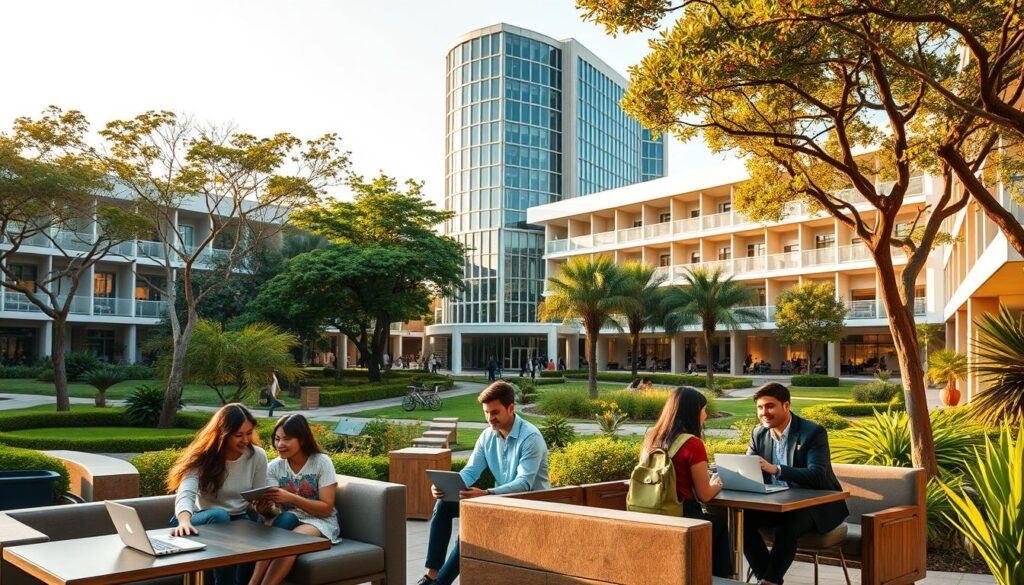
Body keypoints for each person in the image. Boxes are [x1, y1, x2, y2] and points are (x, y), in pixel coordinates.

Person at [417, 381, 550, 585]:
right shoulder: (487, 436)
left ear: (511, 408)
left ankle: (439, 584)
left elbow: (524, 484)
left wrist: (486, 493)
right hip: (499, 500)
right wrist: (446, 487)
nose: (490, 418)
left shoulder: (530, 438)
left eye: (495, 412)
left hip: (530, 504)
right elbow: (471, 471)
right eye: (486, 412)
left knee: (474, 520)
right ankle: (431, 575)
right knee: (443, 505)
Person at [744, 383, 849, 585]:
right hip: (777, 504)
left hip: (816, 504)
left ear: (786, 406)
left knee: (787, 527)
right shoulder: (759, 433)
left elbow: (817, 475)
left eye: (769, 406)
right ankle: (767, 577)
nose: (763, 412)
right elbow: (749, 466)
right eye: (759, 407)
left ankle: (769, 581)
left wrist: (777, 470)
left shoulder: (813, 433)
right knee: (742, 522)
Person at [168, 404, 267, 585]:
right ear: (223, 434)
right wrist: (183, 521)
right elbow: (186, 492)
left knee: (252, 530)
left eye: (249, 433)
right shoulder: (202, 457)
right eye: (238, 435)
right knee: (220, 515)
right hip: (198, 520)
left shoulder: (257, 456)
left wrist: (262, 506)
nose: (245, 440)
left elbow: (257, 494)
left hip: (238, 520)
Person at [641, 387, 733, 577]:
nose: (706, 415)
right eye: (704, 410)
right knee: (720, 525)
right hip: (682, 515)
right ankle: (719, 580)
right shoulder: (692, 444)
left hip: (648, 514)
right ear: (694, 411)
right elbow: (705, 495)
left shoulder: (651, 439)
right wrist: (717, 483)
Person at [249, 414, 340, 585]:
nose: (280, 445)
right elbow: (275, 511)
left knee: (290, 542)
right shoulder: (274, 467)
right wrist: (264, 509)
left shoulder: (321, 462)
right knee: (283, 523)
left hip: (318, 521)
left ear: (302, 439)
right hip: (285, 519)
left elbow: (326, 508)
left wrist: (292, 497)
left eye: (287, 439)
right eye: (277, 439)